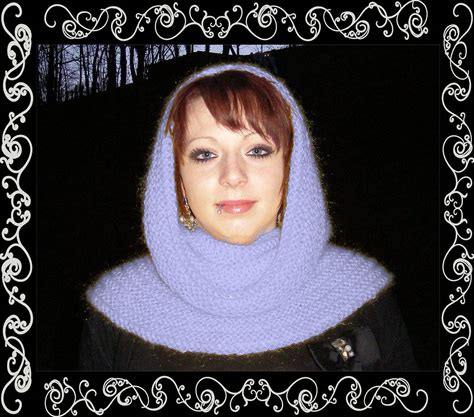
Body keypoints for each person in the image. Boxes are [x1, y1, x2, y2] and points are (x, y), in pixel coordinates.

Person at [79, 63, 417, 371]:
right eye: (205, 154)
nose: (233, 175)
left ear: (292, 167)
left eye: (257, 150)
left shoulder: (361, 295)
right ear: (177, 178)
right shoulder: (117, 308)